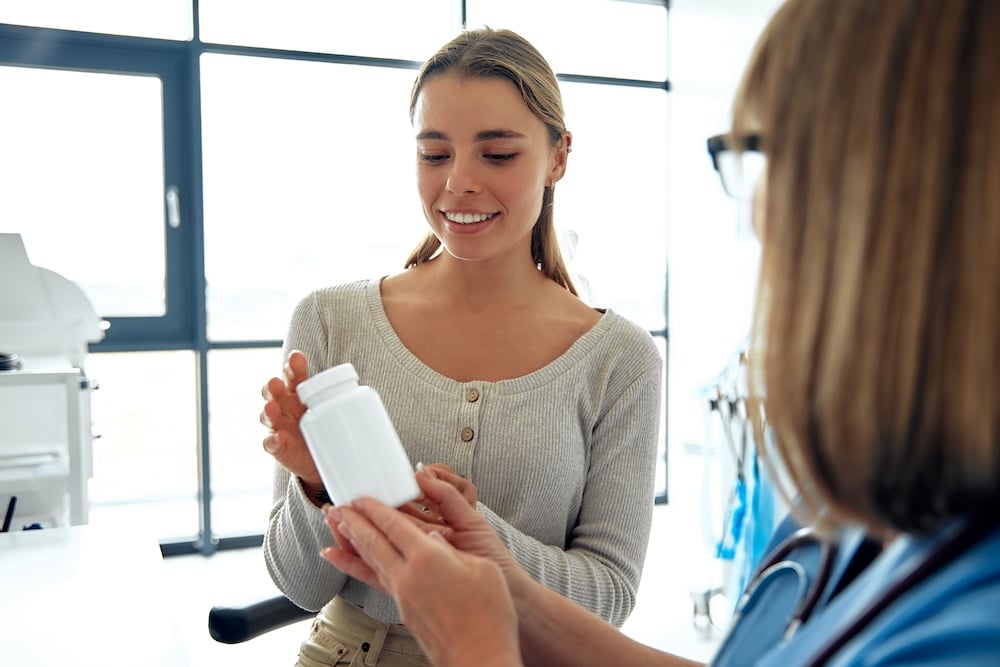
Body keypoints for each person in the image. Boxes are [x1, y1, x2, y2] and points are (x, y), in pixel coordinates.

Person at [318, 1, 1000, 665]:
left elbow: (607, 588)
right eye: (434, 152)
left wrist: (477, 644)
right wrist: (507, 584)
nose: (757, 213)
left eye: (773, 158)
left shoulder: (969, 625)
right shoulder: (849, 529)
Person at [259, 26, 664, 667]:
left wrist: (474, 538)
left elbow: (607, 599)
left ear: (558, 156)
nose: (459, 185)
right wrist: (319, 483)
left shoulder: (619, 359)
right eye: (435, 154)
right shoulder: (330, 321)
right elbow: (299, 586)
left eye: (497, 155)